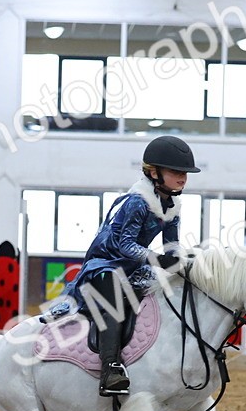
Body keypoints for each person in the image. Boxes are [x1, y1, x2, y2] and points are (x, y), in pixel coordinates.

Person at [54, 135, 201, 397]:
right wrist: (157, 260)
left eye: (185, 173)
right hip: (105, 264)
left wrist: (184, 261)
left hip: (134, 267)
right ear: (154, 173)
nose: (183, 177)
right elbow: (125, 245)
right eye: (176, 172)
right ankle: (110, 369)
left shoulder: (172, 207)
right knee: (115, 303)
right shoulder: (137, 202)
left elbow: (171, 246)